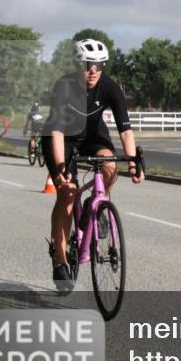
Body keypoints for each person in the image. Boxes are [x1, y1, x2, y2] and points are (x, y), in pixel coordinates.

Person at [41, 38, 143, 288]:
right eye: (88, 65)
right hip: (62, 138)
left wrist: (132, 164)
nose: (93, 70)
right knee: (66, 194)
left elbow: (125, 130)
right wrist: (62, 169)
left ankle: (93, 207)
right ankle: (60, 261)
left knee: (110, 167)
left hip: (93, 135)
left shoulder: (110, 87)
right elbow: (55, 132)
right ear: (78, 65)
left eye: (98, 65)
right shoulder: (64, 86)